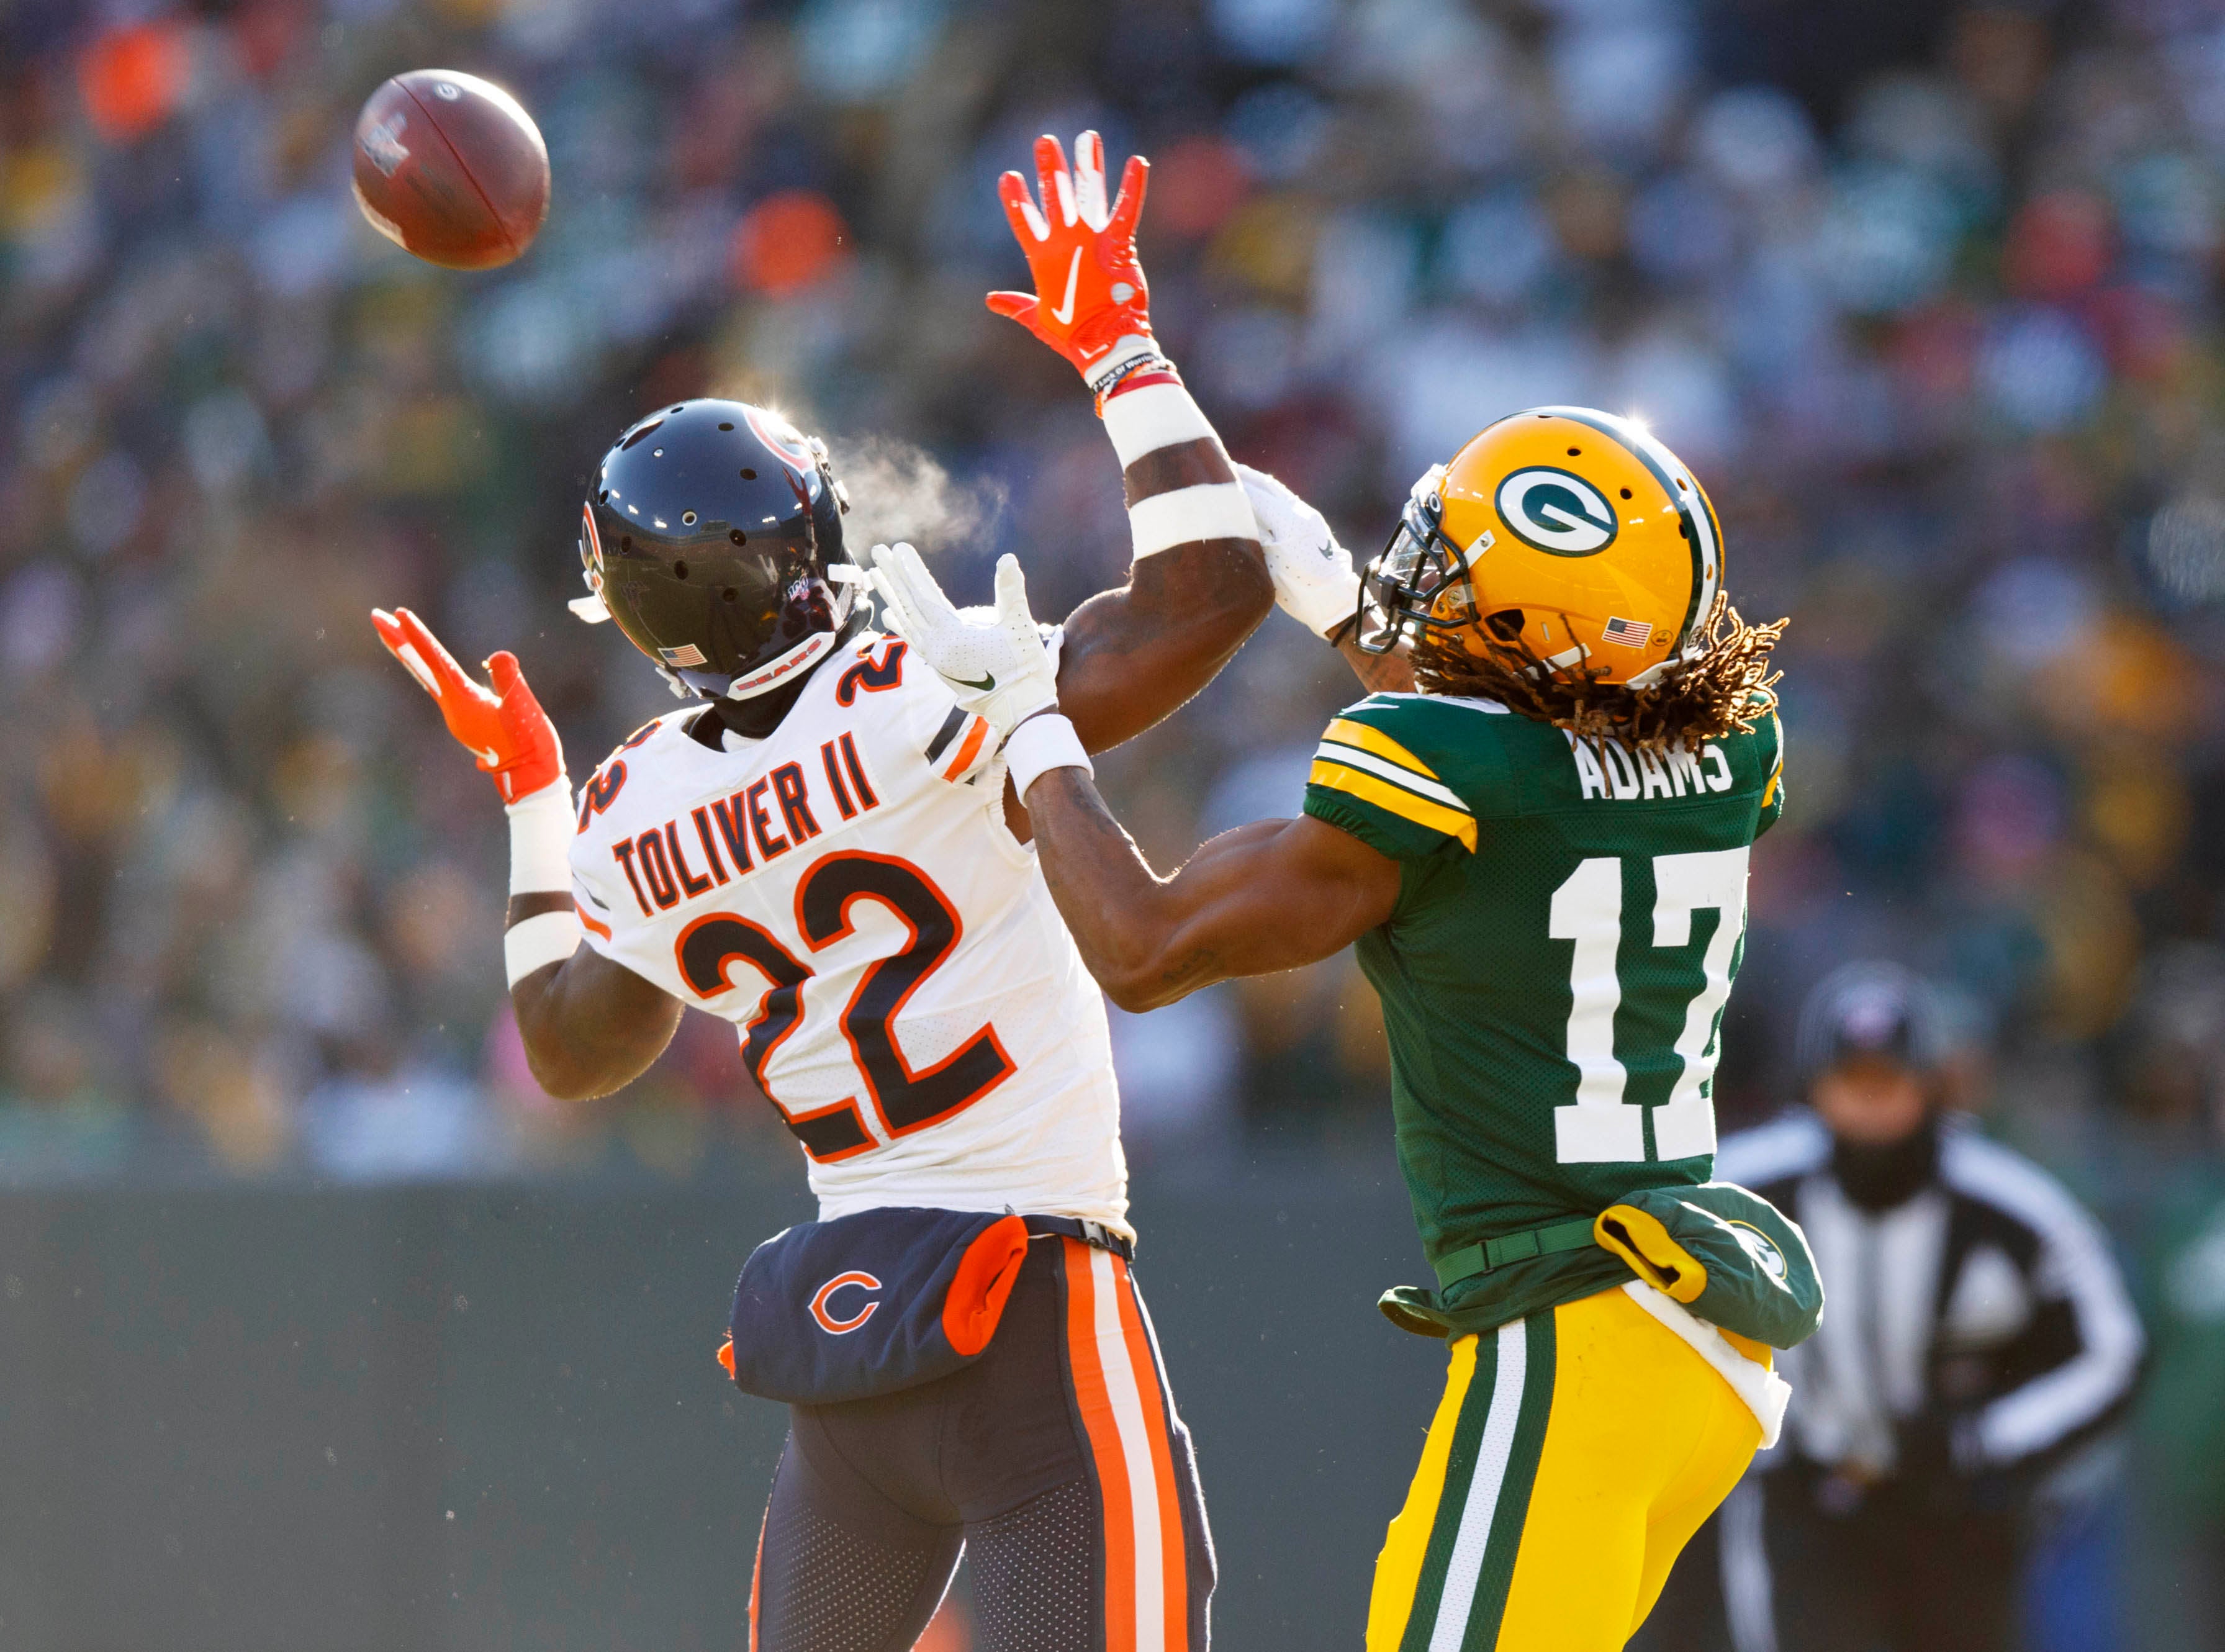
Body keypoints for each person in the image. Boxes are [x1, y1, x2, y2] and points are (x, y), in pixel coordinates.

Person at [371, 133, 1290, 1652]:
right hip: (1034, 1314)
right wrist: (1121, 346)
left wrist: (534, 804)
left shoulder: (634, 802)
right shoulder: (918, 685)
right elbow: (1215, 595)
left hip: (850, 1360)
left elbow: (570, 1045)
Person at [866, 407, 1822, 1650]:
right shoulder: (1725, 745)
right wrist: (1349, 623)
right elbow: (1538, 777)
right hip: (1691, 1337)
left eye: (1465, 579)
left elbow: (1144, 946)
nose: (1424, 584)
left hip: (1576, 1329)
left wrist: (1031, 726)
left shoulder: (1441, 764)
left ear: (1548, 622)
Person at [1641, 962, 2146, 1652]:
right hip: (1804, 1502)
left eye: (1889, 1083)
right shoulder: (1742, 1190)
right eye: (1851, 1083)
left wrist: (1985, 1442)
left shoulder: (2011, 1210)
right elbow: (1641, 1300)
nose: (1870, 1106)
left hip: (1957, 1510)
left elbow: (2111, 1350)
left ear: (1932, 1087)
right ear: (1812, 1089)